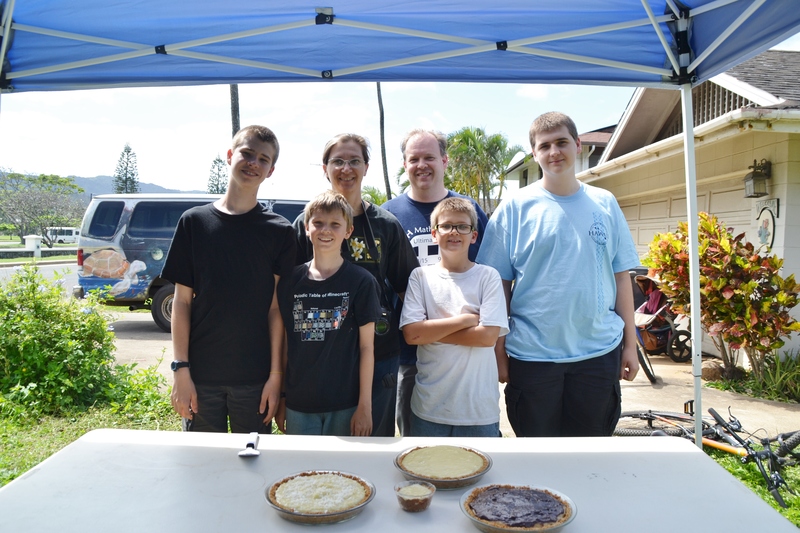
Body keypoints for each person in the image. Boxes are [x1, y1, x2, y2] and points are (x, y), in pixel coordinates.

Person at [476, 111, 640, 438]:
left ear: (577, 145)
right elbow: (498, 287)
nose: (554, 152)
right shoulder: (514, 208)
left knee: (590, 450)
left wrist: (630, 346)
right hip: (532, 355)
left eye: (562, 142)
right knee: (537, 454)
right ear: (534, 154)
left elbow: (622, 277)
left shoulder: (605, 203)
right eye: (545, 145)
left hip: (598, 353)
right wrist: (499, 351)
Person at [162, 125, 296, 433]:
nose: (253, 163)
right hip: (200, 376)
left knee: (252, 458)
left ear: (271, 170)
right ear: (229, 155)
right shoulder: (194, 222)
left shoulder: (280, 231)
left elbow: (276, 310)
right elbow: (181, 303)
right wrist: (181, 369)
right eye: (247, 153)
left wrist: (276, 378)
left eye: (263, 159)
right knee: (202, 459)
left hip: (255, 379)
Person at [293, 133, 418, 436]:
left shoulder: (386, 225)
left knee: (372, 446)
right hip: (320, 360)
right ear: (325, 168)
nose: (346, 168)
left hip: (378, 355)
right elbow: (288, 293)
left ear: (366, 167)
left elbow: (409, 288)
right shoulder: (306, 225)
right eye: (338, 161)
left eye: (354, 161)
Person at [383, 129, 489, 436]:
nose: (422, 165)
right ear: (404, 164)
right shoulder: (388, 215)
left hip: (463, 352)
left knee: (468, 438)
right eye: (414, 158)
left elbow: (488, 272)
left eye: (429, 157)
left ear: (444, 160)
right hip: (408, 352)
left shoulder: (468, 210)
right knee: (417, 441)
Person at [400, 197, 508, 437]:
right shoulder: (420, 277)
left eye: (462, 226)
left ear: (474, 236)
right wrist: (466, 321)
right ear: (434, 234)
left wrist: (429, 333)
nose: (454, 232)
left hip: (478, 411)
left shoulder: (488, 277)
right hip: (428, 409)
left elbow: (487, 338)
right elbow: (411, 334)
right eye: (446, 226)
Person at [276, 191, 380, 436]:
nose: (326, 230)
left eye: (335, 224)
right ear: (306, 228)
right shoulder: (290, 281)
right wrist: (282, 397)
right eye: (318, 223)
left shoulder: (361, 282)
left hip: (345, 404)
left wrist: (365, 406)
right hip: (299, 404)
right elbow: (285, 344)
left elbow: (367, 348)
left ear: (348, 231)